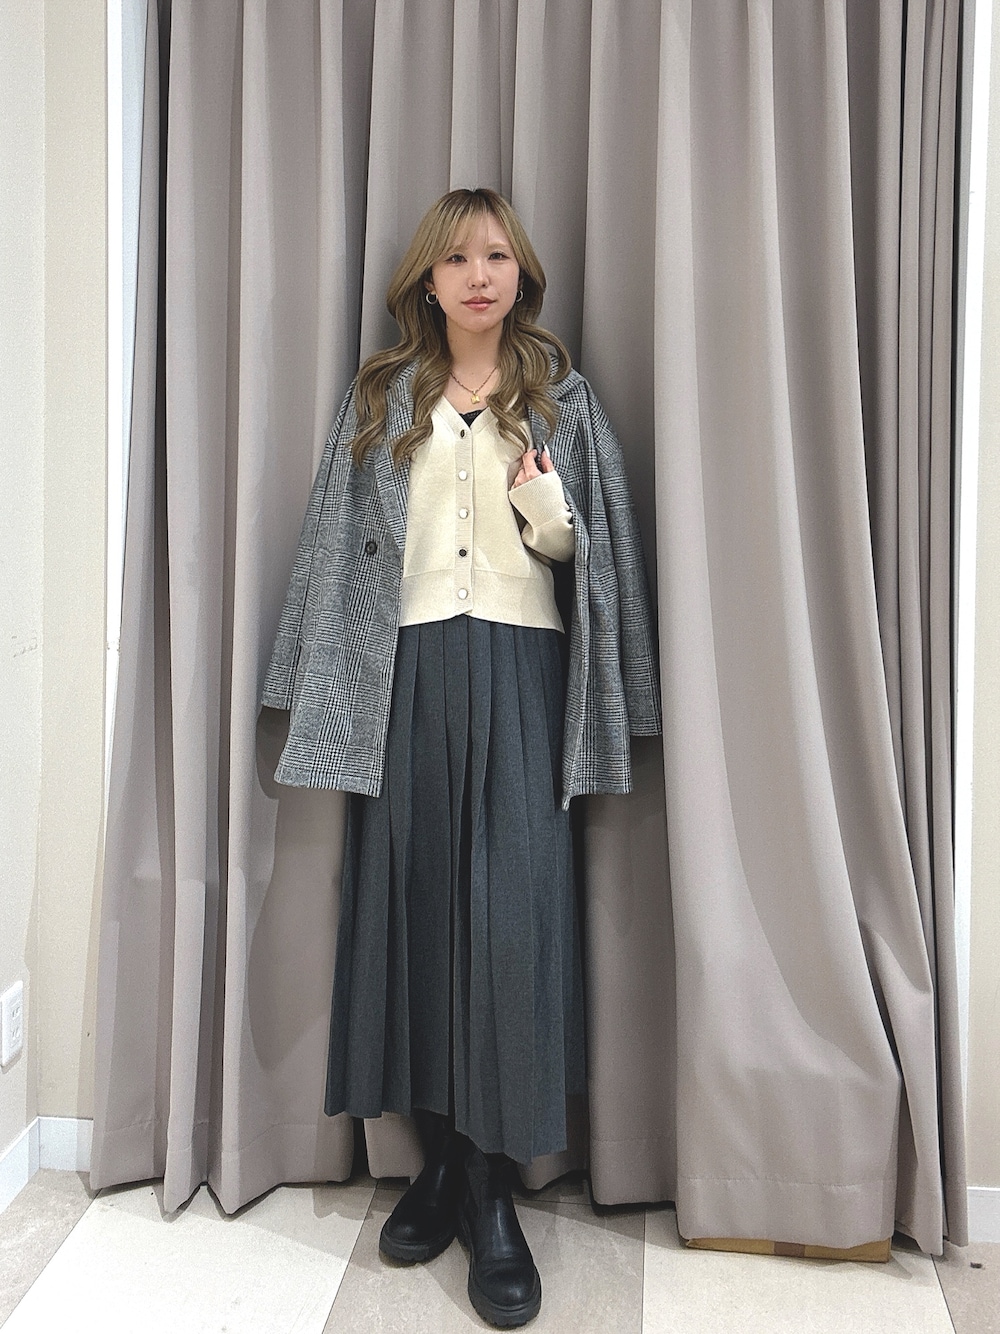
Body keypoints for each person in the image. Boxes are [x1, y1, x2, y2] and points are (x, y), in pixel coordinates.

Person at [261, 187, 660, 1328]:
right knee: (417, 909)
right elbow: (336, 539)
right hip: (408, 674)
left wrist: (548, 505)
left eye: (496, 255)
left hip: (523, 670)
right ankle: (438, 1162)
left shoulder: (559, 395)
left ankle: (490, 1191)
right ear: (426, 282)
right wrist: (311, 678)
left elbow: (592, 553)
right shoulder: (383, 394)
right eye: (456, 259)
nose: (478, 275)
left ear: (519, 272)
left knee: (511, 920)